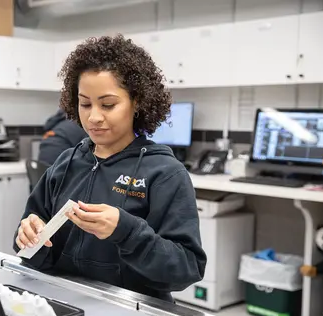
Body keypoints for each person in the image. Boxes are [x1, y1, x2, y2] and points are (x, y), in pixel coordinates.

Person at [14, 35, 206, 302]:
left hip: (132, 315)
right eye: (85, 104)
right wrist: (27, 236)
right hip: (67, 305)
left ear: (136, 101)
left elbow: (186, 268)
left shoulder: (164, 173)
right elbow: (28, 245)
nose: (93, 117)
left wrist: (127, 232)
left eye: (108, 105)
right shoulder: (65, 164)